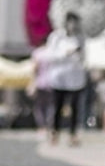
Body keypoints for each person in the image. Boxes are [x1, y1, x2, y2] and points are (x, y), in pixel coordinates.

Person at [45, 11, 87, 146]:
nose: (73, 26)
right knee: (57, 106)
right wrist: (66, 53)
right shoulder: (56, 37)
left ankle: (73, 134)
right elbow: (50, 56)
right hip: (59, 77)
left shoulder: (80, 38)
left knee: (75, 107)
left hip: (75, 77)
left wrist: (78, 55)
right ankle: (54, 132)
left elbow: (84, 57)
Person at [28, 43, 53, 139]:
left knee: (39, 106)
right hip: (52, 82)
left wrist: (31, 83)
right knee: (50, 106)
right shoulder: (52, 52)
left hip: (40, 82)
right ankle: (50, 126)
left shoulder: (37, 53)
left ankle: (42, 127)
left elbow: (34, 68)